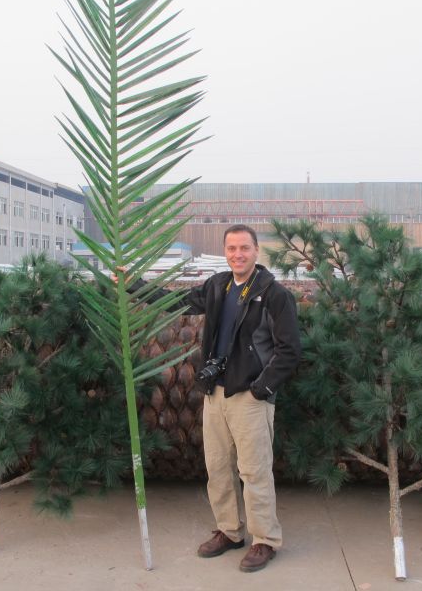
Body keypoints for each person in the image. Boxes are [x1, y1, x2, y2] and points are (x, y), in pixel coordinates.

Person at [127, 224, 301, 572]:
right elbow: (177, 301)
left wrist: (260, 389)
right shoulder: (218, 286)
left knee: (254, 473)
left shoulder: (274, 294)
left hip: (249, 397)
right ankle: (229, 531)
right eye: (232, 248)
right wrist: (132, 283)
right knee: (218, 469)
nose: (238, 254)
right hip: (215, 394)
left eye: (245, 248)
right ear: (226, 252)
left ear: (256, 251)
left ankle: (265, 539)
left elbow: (289, 351)